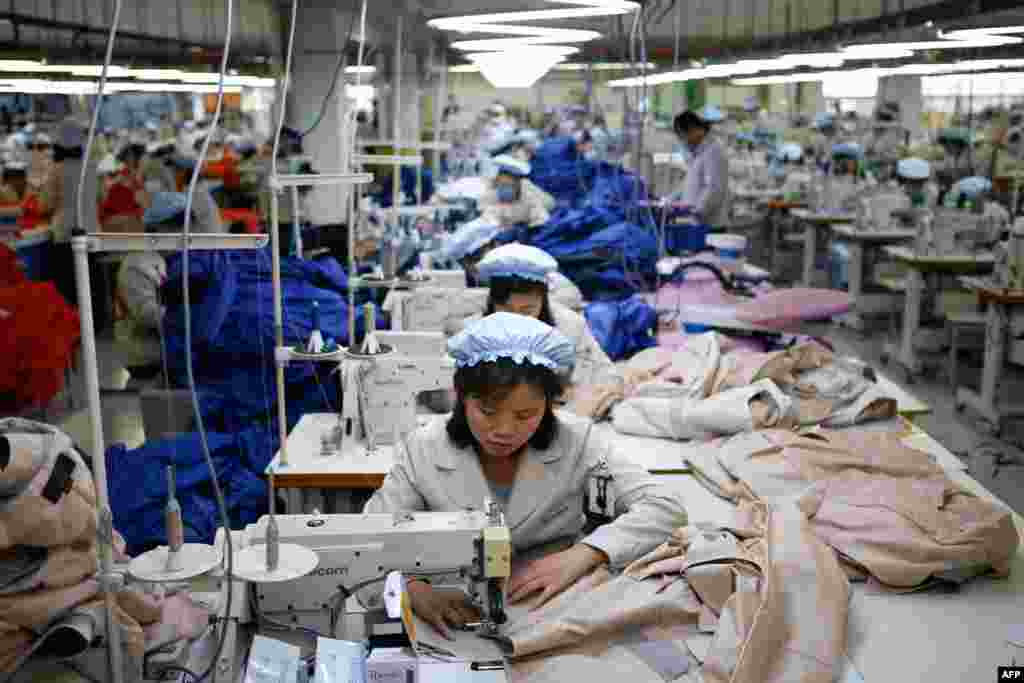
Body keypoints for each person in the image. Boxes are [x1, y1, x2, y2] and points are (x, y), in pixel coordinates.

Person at [363, 312, 687, 637]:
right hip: (451, 606)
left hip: (553, 601)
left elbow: (664, 507)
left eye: (525, 414)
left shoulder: (578, 440)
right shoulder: (423, 448)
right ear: (462, 397)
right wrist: (411, 586)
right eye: (488, 412)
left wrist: (587, 553)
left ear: (549, 403)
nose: (504, 431)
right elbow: (370, 538)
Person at [473, 243, 613, 387]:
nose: (516, 319)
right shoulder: (475, 333)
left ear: (543, 300)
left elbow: (604, 377)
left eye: (527, 310)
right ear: (492, 302)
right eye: (506, 309)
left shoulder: (570, 327)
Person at [114, 192, 182, 377]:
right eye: (174, 227)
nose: (183, 233)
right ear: (155, 230)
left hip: (171, 349)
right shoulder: (137, 265)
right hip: (145, 357)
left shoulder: (172, 257)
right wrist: (191, 317)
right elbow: (147, 314)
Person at [673, 110, 729, 227]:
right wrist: (668, 201)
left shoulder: (713, 151)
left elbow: (713, 188)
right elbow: (690, 184)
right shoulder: (698, 152)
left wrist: (697, 211)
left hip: (709, 225)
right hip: (696, 223)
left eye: (683, 135)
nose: (683, 141)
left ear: (694, 129)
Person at [479, 155, 551, 229]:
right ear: (497, 182)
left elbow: (541, 219)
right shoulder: (489, 195)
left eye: (509, 185)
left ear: (518, 184)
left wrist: (527, 229)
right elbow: (487, 220)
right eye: (502, 185)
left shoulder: (528, 196)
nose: (505, 188)